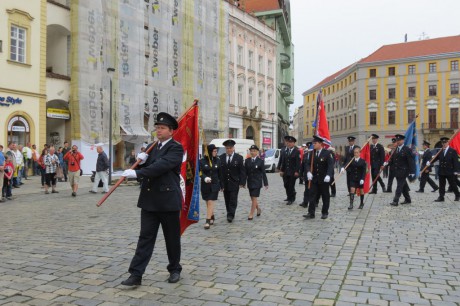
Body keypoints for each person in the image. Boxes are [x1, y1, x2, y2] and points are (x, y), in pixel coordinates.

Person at [120, 112, 184, 286]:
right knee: (145, 238)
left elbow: (161, 167)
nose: (159, 131)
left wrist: (138, 172)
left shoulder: (176, 148)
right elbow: (149, 166)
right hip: (149, 200)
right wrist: (140, 162)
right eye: (157, 128)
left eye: (162, 128)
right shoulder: (152, 147)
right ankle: (136, 274)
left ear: (171, 131)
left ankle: (174, 269)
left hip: (168, 200)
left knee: (171, 238)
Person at [303, 136, 334, 219]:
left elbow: (330, 165)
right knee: (312, 195)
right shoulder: (311, 153)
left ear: (320, 144)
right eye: (313, 143)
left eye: (315, 143)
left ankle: (325, 212)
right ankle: (311, 213)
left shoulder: (327, 153)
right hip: (314, 179)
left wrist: (328, 175)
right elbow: (307, 164)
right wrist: (309, 171)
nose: (314, 145)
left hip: (324, 179)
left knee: (325, 196)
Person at [220, 139, 246, 222]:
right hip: (225, 183)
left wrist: (242, 182)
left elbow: (242, 171)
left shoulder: (239, 158)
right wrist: (221, 184)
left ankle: (231, 214)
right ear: (225, 149)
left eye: (230, 148)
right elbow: (220, 172)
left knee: (233, 199)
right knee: (227, 199)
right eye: (227, 148)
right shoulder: (221, 157)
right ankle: (229, 212)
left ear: (233, 148)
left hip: (234, 182)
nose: (229, 150)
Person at [428, 137, 460, 202]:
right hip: (442, 171)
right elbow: (436, 158)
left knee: (452, 184)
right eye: (443, 143)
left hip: (450, 171)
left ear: (448, 142)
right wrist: (430, 162)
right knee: (442, 185)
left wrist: (456, 171)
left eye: (445, 142)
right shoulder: (440, 151)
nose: (444, 144)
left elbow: (455, 162)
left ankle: (457, 195)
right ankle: (441, 197)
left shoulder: (452, 151)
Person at [388, 134, 416, 206]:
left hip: (404, 171)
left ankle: (395, 200)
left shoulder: (407, 149)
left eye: (399, 140)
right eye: (397, 140)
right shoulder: (396, 149)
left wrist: (412, 171)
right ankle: (408, 199)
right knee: (404, 185)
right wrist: (387, 163)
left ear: (403, 141)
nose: (398, 141)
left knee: (399, 186)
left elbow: (411, 161)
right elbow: (393, 160)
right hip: (397, 171)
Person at [200, 144, 222, 229]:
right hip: (205, 185)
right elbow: (200, 172)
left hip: (215, 185)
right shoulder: (202, 161)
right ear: (209, 151)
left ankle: (207, 221)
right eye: (214, 151)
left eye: (216, 151)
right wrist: (205, 178)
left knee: (210, 202)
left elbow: (220, 174)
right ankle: (212, 216)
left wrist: (222, 186)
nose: (216, 153)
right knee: (207, 202)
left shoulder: (218, 160)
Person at [244, 145, 268, 220]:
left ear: (257, 152)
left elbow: (263, 173)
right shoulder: (247, 161)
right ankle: (258, 209)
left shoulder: (260, 161)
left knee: (254, 197)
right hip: (250, 182)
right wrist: (243, 182)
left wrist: (266, 183)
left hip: (257, 182)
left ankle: (251, 213)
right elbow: (245, 172)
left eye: (254, 151)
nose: (252, 152)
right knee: (252, 197)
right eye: (251, 151)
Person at [279, 136, 300, 205]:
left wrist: (297, 171)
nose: (289, 144)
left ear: (294, 143)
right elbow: (284, 162)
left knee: (291, 185)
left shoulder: (297, 151)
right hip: (286, 171)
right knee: (286, 185)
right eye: (288, 142)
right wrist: (281, 170)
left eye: (291, 142)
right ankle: (289, 195)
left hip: (293, 172)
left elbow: (298, 162)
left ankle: (291, 199)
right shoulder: (285, 151)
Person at [299, 141, 312, 208]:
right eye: (308, 147)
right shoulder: (305, 155)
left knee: (314, 190)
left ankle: (315, 202)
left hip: (313, 176)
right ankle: (305, 202)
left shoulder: (314, 155)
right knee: (306, 189)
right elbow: (302, 165)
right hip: (306, 176)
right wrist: (300, 174)